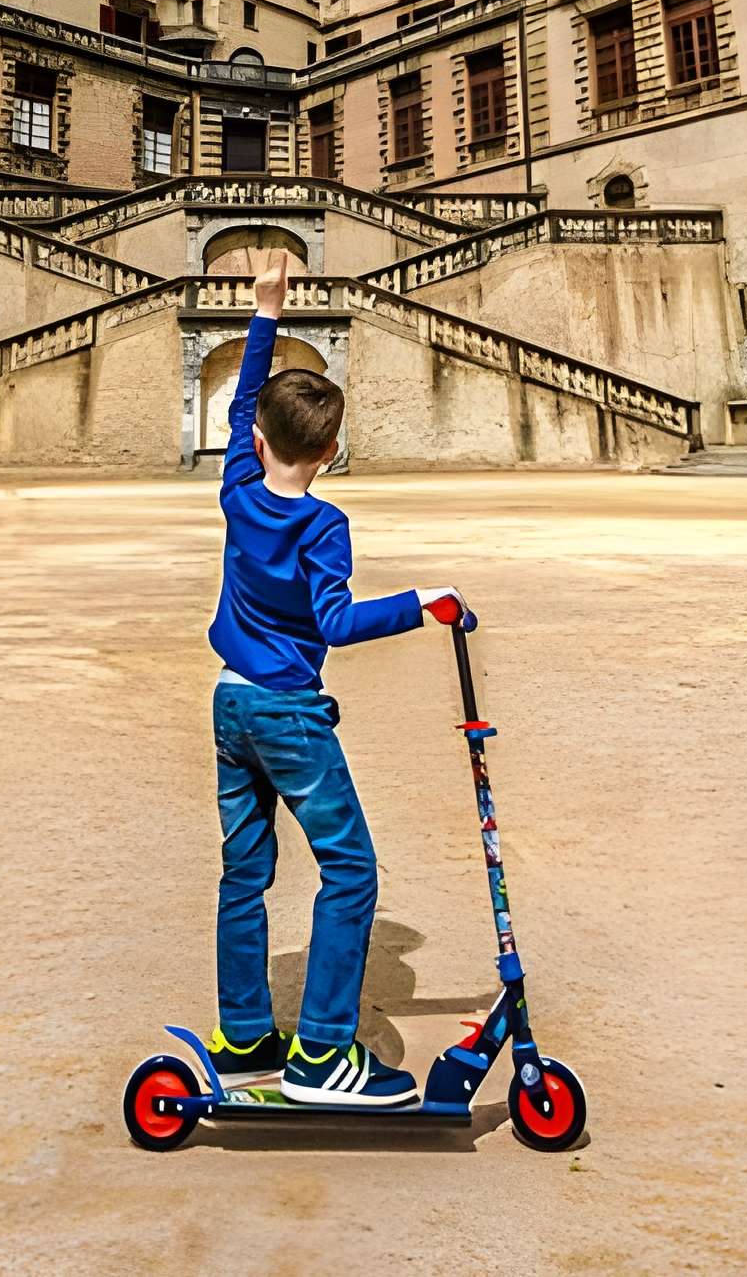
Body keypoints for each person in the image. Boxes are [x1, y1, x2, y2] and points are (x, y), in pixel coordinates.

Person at [203, 247, 473, 1108]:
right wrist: (422, 600)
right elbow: (334, 623)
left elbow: (249, 401)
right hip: (287, 714)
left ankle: (244, 1033)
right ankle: (321, 1054)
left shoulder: (238, 488)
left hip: (229, 701)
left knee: (245, 870)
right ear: (331, 449)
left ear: (254, 440)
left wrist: (264, 311)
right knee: (349, 871)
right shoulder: (325, 523)